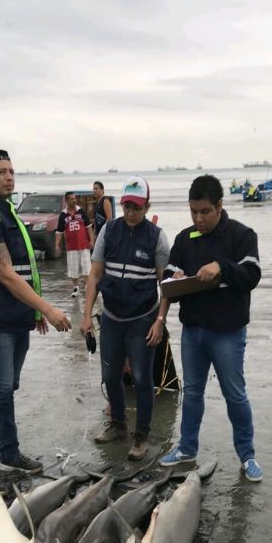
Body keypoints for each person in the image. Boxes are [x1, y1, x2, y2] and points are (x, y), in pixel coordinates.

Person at [0, 149, 71, 492]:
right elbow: (6, 274)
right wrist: (51, 309)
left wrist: (35, 310)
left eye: (12, 171)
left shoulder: (6, 209)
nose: (9, 177)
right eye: (1, 172)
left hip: (17, 317)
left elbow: (28, 266)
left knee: (9, 387)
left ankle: (10, 452)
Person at [158, 174, 263, 481]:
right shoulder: (184, 238)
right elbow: (169, 272)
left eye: (204, 212)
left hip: (227, 333)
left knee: (235, 394)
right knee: (192, 393)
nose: (198, 219)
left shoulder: (242, 235)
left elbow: (252, 274)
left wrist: (221, 266)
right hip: (193, 331)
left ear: (219, 205)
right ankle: (187, 447)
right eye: (193, 212)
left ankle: (247, 455)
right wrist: (174, 279)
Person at [80, 177, 170, 461]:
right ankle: (118, 425)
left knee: (143, 378)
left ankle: (141, 435)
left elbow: (165, 286)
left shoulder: (157, 237)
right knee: (110, 375)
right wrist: (86, 317)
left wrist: (160, 320)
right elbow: (94, 275)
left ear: (147, 206)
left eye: (137, 207)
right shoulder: (109, 230)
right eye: (127, 205)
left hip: (142, 320)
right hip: (111, 318)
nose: (131, 212)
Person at [55, 191, 94, 297]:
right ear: (66, 201)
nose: (74, 200)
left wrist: (92, 240)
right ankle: (76, 288)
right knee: (73, 269)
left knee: (86, 267)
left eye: (75, 198)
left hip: (83, 245)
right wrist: (57, 245)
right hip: (71, 247)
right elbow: (59, 231)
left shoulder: (81, 211)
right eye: (72, 199)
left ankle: (87, 286)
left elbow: (88, 226)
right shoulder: (63, 215)